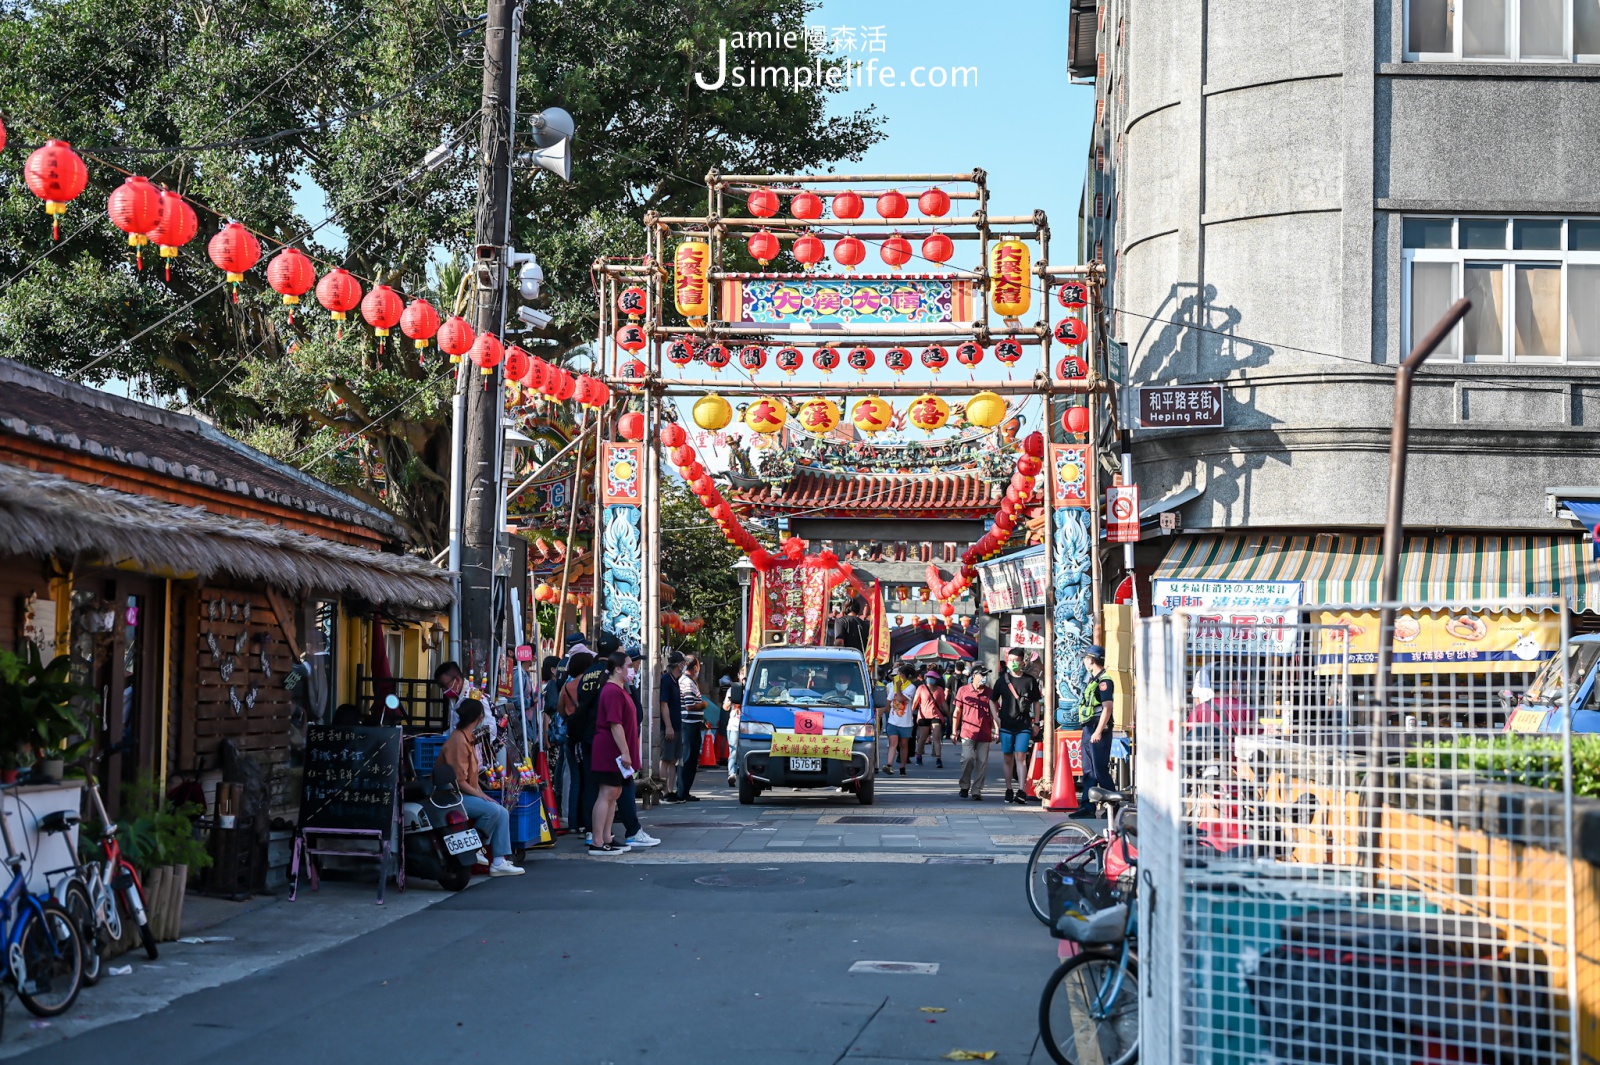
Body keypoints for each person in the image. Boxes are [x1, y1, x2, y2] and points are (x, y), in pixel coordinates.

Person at [440, 699, 524, 875]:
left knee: (500, 810)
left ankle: (499, 861)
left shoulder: (466, 738)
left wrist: (482, 794)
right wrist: (481, 796)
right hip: (452, 796)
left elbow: (472, 779)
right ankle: (476, 846)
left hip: (463, 793)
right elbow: (459, 781)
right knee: (493, 810)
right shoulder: (458, 741)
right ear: (479, 718)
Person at [588, 651, 639, 856]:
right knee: (607, 793)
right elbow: (615, 724)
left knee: (614, 793)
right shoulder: (612, 691)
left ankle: (607, 837)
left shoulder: (620, 689)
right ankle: (598, 840)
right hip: (610, 749)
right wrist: (625, 752)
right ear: (617, 669)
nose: (632, 669)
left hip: (616, 749)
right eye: (628, 666)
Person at [1071, 645, 1116, 819]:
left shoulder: (1105, 681)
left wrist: (1097, 732)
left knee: (1099, 770)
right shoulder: (1094, 679)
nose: (1083, 662)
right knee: (1088, 771)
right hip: (1089, 728)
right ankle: (1087, 807)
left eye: (1085, 659)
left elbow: (1108, 708)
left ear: (1090, 660)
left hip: (1099, 730)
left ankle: (1114, 805)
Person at [994, 647, 1043, 804]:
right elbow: (992, 700)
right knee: (1008, 757)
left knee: (1020, 757)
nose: (1013, 663)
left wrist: (1036, 722)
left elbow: (1036, 703)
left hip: (1023, 725)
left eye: (1016, 660)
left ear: (1022, 662)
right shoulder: (1002, 680)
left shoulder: (1030, 681)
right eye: (1010, 660)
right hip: (1006, 725)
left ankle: (1022, 790)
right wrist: (996, 718)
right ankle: (1009, 789)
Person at [557, 650, 595, 832]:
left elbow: (561, 712)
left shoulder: (567, 687)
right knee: (589, 779)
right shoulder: (591, 684)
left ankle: (573, 822)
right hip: (588, 735)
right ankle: (587, 822)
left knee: (575, 779)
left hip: (571, 736)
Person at [953, 665, 998, 800]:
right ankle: (964, 785)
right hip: (967, 732)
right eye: (982, 675)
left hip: (984, 733)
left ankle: (977, 790)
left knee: (982, 762)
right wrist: (954, 731)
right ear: (974, 676)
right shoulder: (963, 691)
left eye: (986, 675)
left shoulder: (990, 693)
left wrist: (997, 731)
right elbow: (957, 711)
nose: (984, 678)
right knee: (968, 758)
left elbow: (995, 713)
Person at [433, 660, 494, 740]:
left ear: (457, 680)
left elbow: (490, 730)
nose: (443, 690)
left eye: (445, 685)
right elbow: (454, 727)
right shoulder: (454, 698)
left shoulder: (474, 698)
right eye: (441, 687)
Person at [677, 653, 708, 801]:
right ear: (695, 667)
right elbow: (690, 705)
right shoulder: (687, 683)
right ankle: (682, 791)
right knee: (688, 758)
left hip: (693, 724)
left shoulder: (690, 681)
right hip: (688, 725)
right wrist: (703, 704)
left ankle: (685, 791)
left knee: (692, 758)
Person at [658, 651, 685, 801]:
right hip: (669, 725)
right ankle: (663, 792)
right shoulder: (666, 680)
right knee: (666, 758)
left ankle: (670, 789)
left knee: (674, 758)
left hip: (677, 724)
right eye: (682, 663)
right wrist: (668, 726)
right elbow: (664, 704)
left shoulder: (675, 681)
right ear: (679, 665)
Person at [885, 664, 918, 775]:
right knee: (893, 743)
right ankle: (889, 765)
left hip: (905, 722)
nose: (897, 676)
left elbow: (900, 698)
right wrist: (881, 712)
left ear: (903, 676)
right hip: (893, 721)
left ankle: (902, 767)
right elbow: (889, 701)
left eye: (899, 674)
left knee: (904, 745)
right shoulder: (893, 685)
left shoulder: (911, 687)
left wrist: (898, 687)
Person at [911, 669, 947, 768]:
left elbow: (943, 703)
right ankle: (919, 756)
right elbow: (915, 702)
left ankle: (939, 758)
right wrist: (911, 712)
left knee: (936, 737)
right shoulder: (921, 688)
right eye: (929, 677)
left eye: (932, 678)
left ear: (936, 679)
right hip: (923, 716)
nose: (930, 679)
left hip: (936, 715)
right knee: (922, 738)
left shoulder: (939, 690)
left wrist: (949, 714)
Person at [723, 663, 745, 787]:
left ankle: (745, 774)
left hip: (747, 725)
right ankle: (732, 773)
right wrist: (732, 700)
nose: (743, 677)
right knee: (733, 751)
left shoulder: (752, 689)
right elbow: (725, 707)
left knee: (744, 751)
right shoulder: (732, 689)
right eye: (742, 674)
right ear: (738, 675)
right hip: (734, 725)